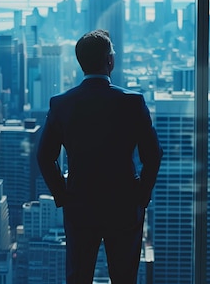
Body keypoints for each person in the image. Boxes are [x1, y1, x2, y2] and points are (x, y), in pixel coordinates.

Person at [37, 29, 163, 284]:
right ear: (110, 61)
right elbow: (153, 154)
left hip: (80, 203)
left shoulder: (61, 104)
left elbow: (44, 156)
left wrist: (63, 195)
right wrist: (141, 195)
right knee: (124, 277)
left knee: (79, 277)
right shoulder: (132, 102)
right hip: (125, 203)